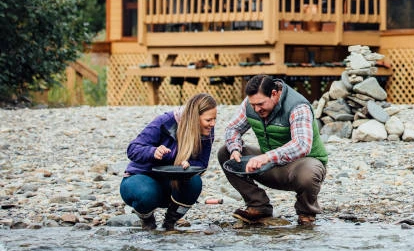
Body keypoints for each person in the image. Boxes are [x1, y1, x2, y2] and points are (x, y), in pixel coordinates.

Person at [217, 75, 327, 225]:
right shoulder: (253, 102)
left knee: (309, 172)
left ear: (274, 94)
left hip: (299, 167)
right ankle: (258, 205)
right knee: (225, 153)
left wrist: (266, 157)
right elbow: (232, 129)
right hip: (269, 165)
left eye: (260, 104)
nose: (256, 109)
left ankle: (306, 213)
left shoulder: (298, 106)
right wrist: (235, 149)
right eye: (253, 104)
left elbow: (302, 145)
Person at [120, 93, 217, 230]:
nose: (212, 124)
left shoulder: (207, 131)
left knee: (195, 182)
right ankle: (147, 219)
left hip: (170, 187)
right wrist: (153, 152)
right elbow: (132, 149)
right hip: (140, 179)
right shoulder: (166, 121)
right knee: (146, 194)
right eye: (208, 120)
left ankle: (170, 223)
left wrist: (189, 164)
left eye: (214, 119)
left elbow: (202, 164)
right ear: (194, 118)